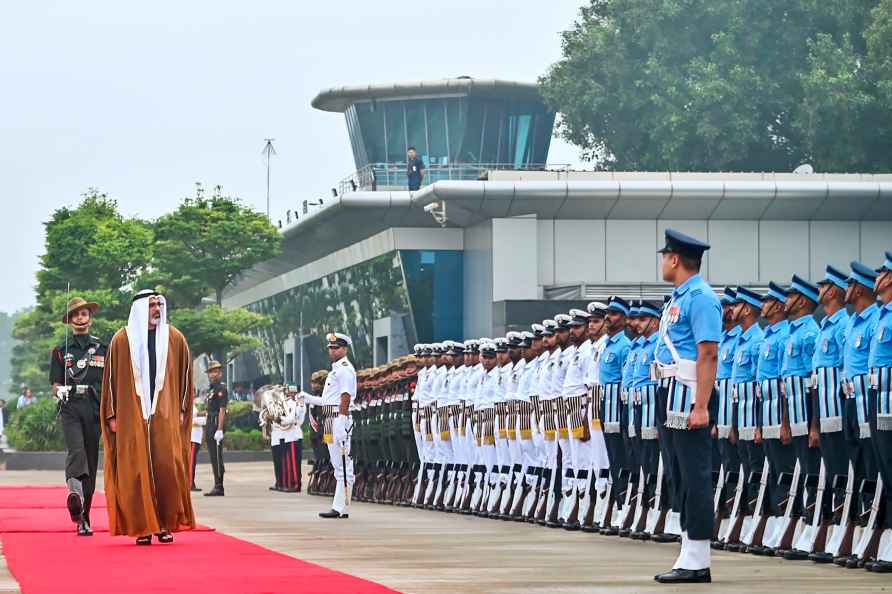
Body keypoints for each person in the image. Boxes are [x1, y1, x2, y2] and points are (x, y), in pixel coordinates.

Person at [652, 229, 721, 584]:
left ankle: (697, 558)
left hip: (689, 392)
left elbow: (708, 353)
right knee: (678, 474)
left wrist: (702, 406)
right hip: (670, 390)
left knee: (694, 474)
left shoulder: (701, 298)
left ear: (675, 259)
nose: (662, 261)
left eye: (665, 255)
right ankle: (687, 550)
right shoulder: (678, 297)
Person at [100, 290, 196, 545]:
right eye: (151, 305)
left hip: (165, 415)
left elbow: (187, 376)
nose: (156, 309)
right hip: (132, 415)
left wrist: (183, 409)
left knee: (167, 467)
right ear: (140, 309)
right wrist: (111, 414)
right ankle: (142, 526)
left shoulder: (174, 338)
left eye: (158, 304)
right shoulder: (121, 340)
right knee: (136, 471)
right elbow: (109, 381)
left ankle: (165, 524)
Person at [50, 297, 107, 537]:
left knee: (92, 463)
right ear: (70, 320)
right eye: (76, 315)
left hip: (94, 409)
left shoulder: (103, 348)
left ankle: (85, 515)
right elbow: (54, 382)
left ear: (90, 318)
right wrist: (59, 390)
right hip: (71, 406)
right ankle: (75, 496)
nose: (80, 318)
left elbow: (110, 382)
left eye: (84, 314)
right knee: (77, 452)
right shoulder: (61, 350)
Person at [303, 332, 358, 519]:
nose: (333, 351)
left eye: (337, 348)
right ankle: (339, 505)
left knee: (344, 464)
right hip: (329, 418)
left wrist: (342, 421)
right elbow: (329, 400)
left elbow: (345, 396)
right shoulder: (335, 370)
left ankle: (342, 507)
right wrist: (308, 398)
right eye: (331, 348)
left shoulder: (344, 368)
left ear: (345, 349)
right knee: (337, 465)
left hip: (338, 419)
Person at [203, 360, 228, 497]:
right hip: (209, 423)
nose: (213, 374)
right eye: (211, 372)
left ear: (220, 373)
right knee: (213, 456)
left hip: (215, 424)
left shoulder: (221, 389)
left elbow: (222, 410)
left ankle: (219, 486)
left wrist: (220, 428)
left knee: (217, 457)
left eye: (216, 371)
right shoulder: (211, 389)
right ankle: (216, 484)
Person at [190, 400, 206, 491]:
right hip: (193, 437)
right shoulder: (188, 405)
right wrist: (204, 420)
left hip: (196, 438)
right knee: (191, 462)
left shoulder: (193, 405)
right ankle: (190, 483)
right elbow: (191, 421)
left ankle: (192, 482)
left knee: (193, 462)